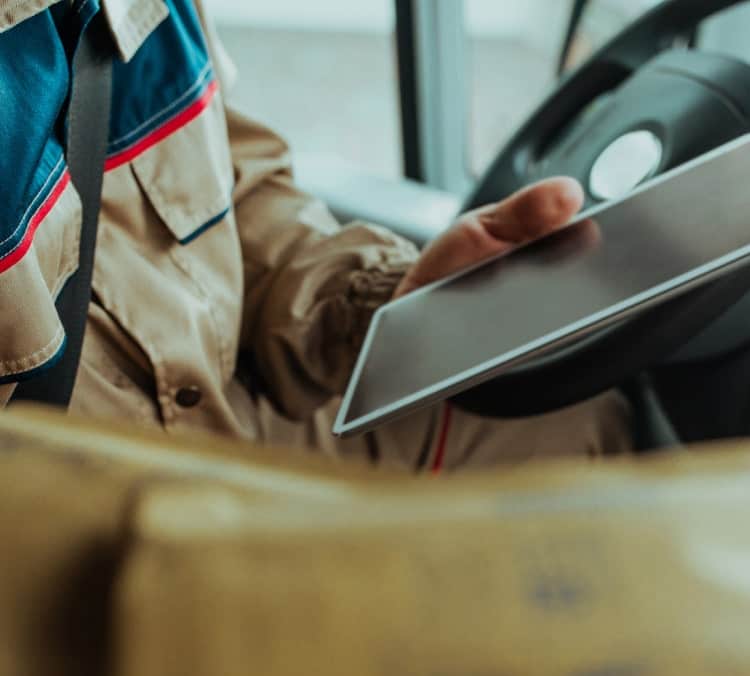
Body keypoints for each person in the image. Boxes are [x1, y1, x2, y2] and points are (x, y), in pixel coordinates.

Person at [0, 0, 631, 472]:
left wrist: (372, 300)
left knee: (581, 423)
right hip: (73, 527)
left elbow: (233, 193)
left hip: (220, 435)